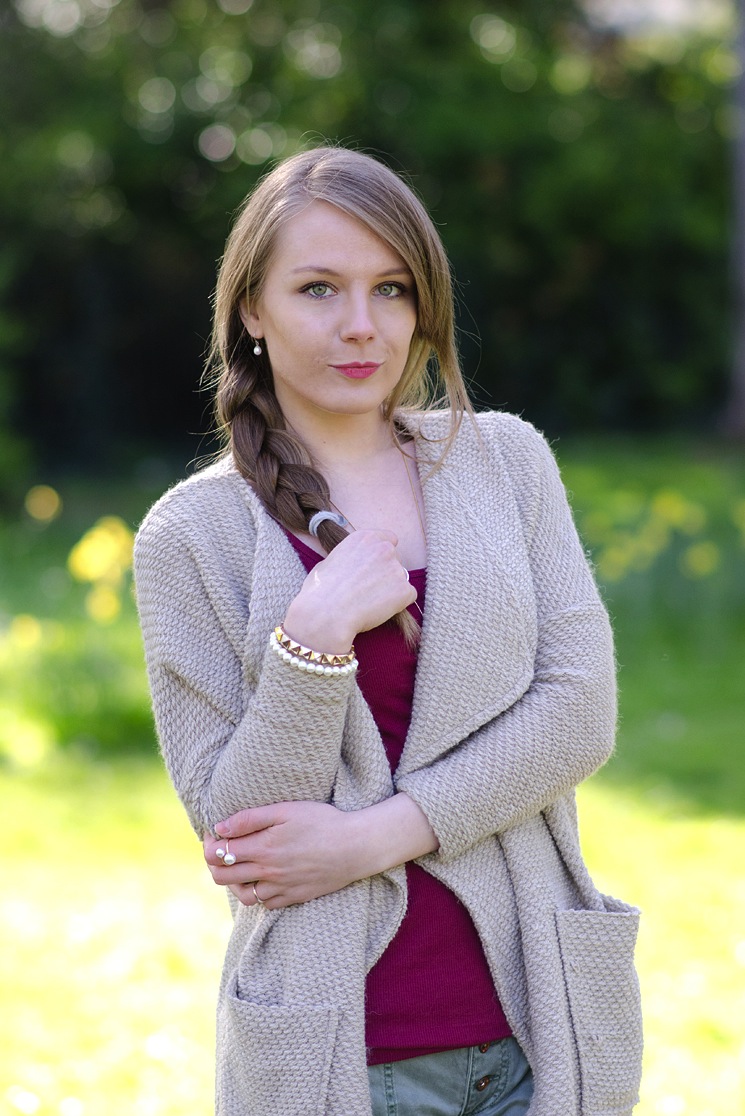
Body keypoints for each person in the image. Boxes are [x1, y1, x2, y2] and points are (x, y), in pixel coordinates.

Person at [134, 145, 643, 1116]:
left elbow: (578, 712)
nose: (361, 326)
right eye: (318, 289)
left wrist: (373, 838)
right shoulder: (190, 536)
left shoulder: (506, 463)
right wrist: (311, 642)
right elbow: (238, 831)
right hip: (346, 1054)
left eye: (392, 289)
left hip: (539, 1030)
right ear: (251, 309)